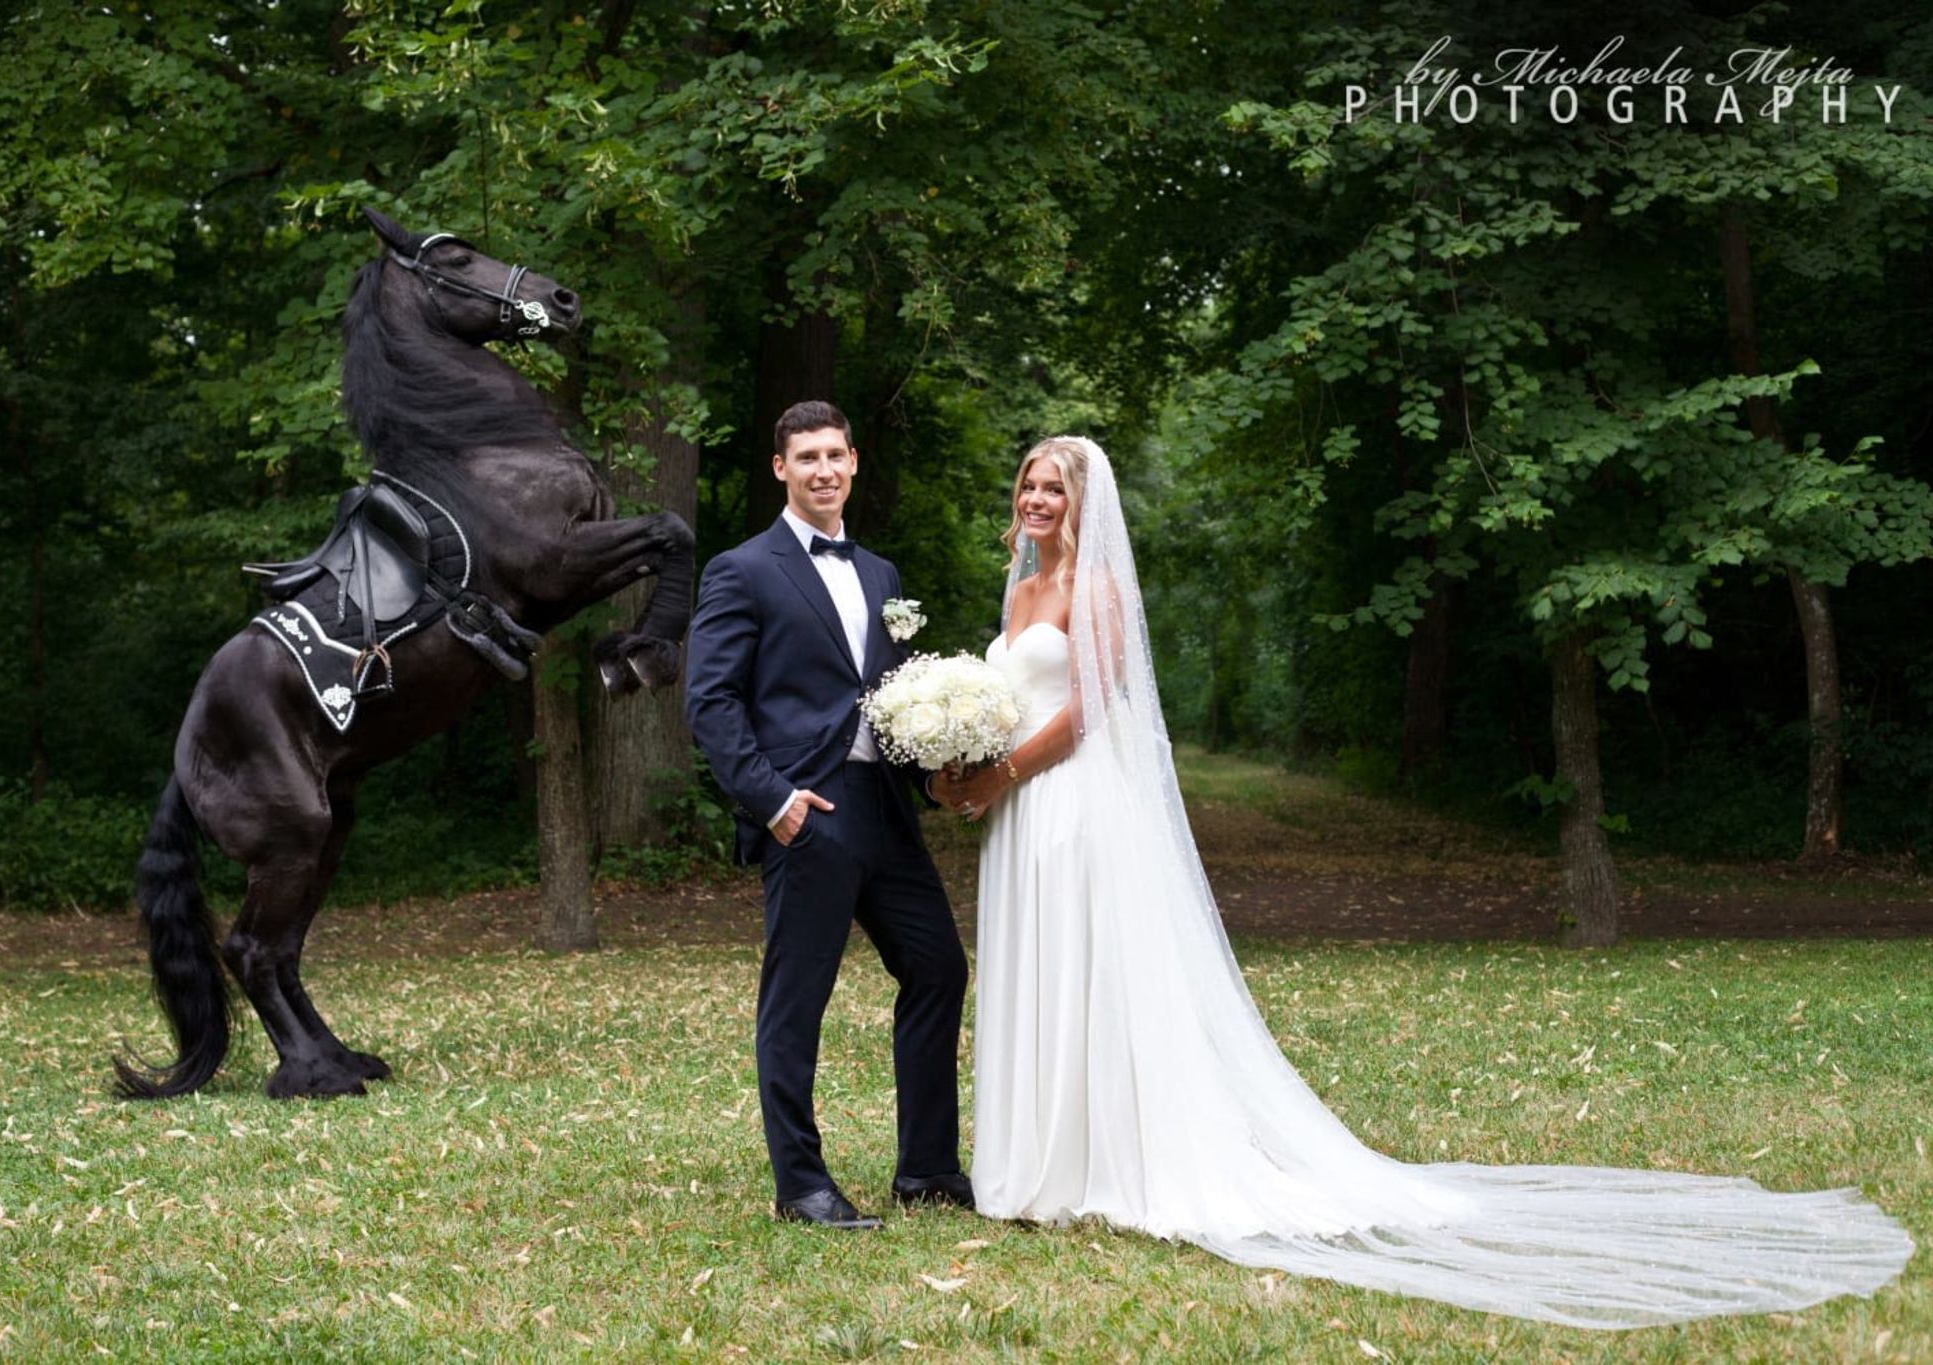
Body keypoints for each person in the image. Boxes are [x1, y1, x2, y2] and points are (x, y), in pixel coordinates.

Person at [934, 435, 1913, 1328]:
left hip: (1072, 809)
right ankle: (1035, 1163)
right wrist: (958, 761)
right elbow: (1009, 700)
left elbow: (1094, 708)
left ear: (1082, 499)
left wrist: (1001, 772)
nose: (1034, 497)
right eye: (1025, 482)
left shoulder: (1095, 588)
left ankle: (1099, 1163)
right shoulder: (1017, 589)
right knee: (1038, 973)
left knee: (1091, 980)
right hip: (1019, 820)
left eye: (1051, 485)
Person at [686, 400, 973, 1230]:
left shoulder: (881, 575)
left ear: (854, 463)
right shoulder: (742, 570)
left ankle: (925, 1169)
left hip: (886, 808)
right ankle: (802, 1187)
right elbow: (710, 701)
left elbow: (892, 698)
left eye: (834, 456)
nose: (822, 469)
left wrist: (934, 777)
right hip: (808, 812)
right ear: (780, 467)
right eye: (805, 456)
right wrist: (773, 801)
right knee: (797, 999)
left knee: (938, 968)